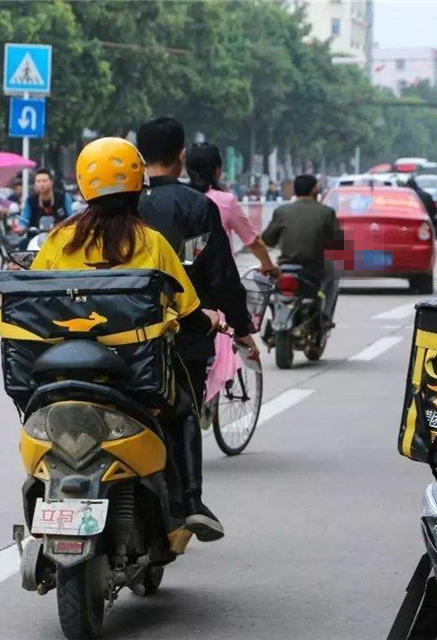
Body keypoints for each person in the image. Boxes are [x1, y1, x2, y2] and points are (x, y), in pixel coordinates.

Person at [33, 137, 225, 541]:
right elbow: (188, 310)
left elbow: (34, 299)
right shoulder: (151, 242)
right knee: (185, 411)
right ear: (138, 184)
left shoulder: (57, 241)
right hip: (136, 375)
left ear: (83, 186)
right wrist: (208, 320)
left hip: (62, 370)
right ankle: (192, 503)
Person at [137, 116, 256, 541]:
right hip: (182, 332)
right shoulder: (193, 207)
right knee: (183, 409)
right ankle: (189, 501)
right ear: (180, 155)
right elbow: (214, 273)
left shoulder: (119, 205)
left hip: (119, 334)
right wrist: (241, 327)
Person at [185, 142, 279, 276]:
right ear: (217, 171)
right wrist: (269, 266)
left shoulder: (179, 198)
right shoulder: (225, 201)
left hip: (182, 280)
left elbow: (187, 256)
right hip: (220, 281)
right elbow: (252, 242)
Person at [261, 174, 344, 324]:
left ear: (295, 190)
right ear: (315, 190)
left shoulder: (281, 212)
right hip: (315, 268)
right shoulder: (326, 212)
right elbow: (338, 243)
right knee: (334, 274)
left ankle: (260, 317)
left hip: (285, 266)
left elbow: (267, 240)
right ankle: (326, 317)